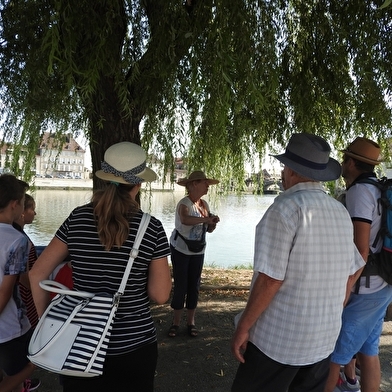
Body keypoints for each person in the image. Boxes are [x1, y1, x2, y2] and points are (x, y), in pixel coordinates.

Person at [29, 142, 172, 392]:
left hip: (78, 341)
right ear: (139, 184)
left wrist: (49, 323)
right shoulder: (152, 227)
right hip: (134, 345)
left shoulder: (77, 218)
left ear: (106, 179)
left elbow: (37, 273)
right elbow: (160, 295)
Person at [231, 133, 365, 392]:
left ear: (290, 170)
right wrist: (337, 300)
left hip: (279, 340)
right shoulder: (339, 211)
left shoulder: (284, 210)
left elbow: (270, 279)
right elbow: (356, 265)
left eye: (284, 167)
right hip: (323, 337)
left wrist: (243, 327)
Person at [324, 137, 392, 392]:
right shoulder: (379, 189)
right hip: (383, 282)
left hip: (366, 289)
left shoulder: (360, 192)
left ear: (352, 163)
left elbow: (361, 250)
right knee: (368, 352)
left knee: (335, 355)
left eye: (344, 159)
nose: (342, 164)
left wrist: (345, 289)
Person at [168, 171, 220, 338]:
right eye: (205, 183)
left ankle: (191, 322)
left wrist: (212, 224)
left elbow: (207, 229)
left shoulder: (204, 204)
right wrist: (205, 220)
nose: (207, 186)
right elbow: (185, 220)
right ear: (194, 184)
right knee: (181, 285)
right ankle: (176, 323)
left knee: (194, 286)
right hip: (181, 250)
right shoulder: (184, 204)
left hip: (198, 250)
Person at [0, 174, 40, 392]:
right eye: (24, 203)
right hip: (9, 328)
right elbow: (8, 290)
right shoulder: (17, 240)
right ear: (15, 205)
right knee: (18, 376)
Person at [13, 194, 39, 329]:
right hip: (25, 297)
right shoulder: (21, 240)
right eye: (32, 209)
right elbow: (24, 276)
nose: (34, 213)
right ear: (22, 211)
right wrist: (37, 292)